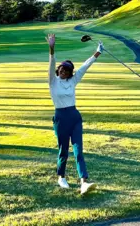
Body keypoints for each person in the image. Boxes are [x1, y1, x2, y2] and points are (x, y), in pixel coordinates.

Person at [45, 33, 103, 195]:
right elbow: (51, 63)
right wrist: (51, 48)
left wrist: (97, 52)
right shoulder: (53, 81)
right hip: (60, 118)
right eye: (62, 69)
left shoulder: (73, 81)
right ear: (59, 70)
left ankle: (84, 182)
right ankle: (61, 177)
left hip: (74, 117)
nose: (64, 71)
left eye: (67, 70)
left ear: (71, 73)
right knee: (63, 149)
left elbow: (85, 66)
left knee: (78, 150)